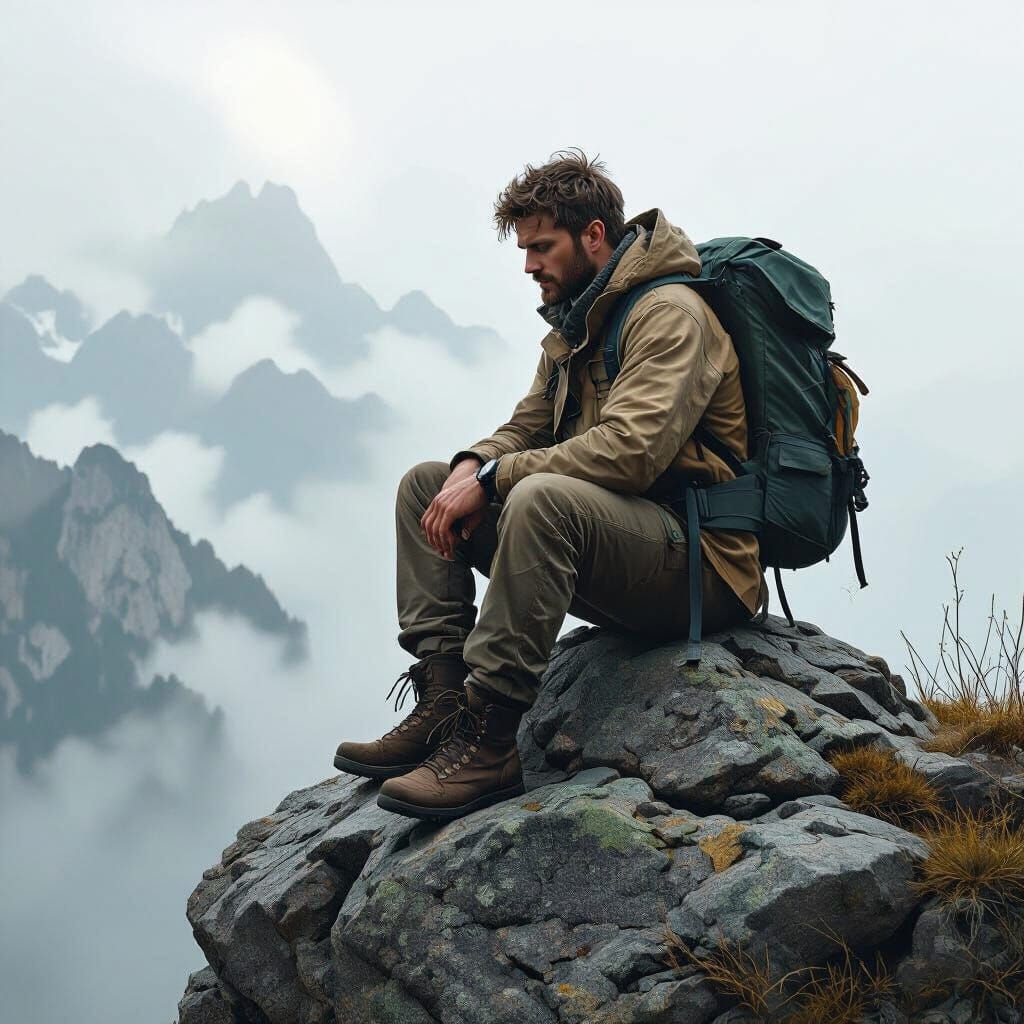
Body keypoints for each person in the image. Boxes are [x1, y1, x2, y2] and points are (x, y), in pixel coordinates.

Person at [334, 148, 765, 821]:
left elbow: (632, 454)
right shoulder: (577, 326)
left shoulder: (670, 314)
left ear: (594, 236)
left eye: (541, 247)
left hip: (699, 563)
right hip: (621, 545)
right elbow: (526, 429)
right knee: (424, 485)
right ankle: (444, 705)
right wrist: (470, 464)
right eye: (526, 249)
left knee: (537, 497)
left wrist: (496, 477)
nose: (529, 265)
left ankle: (492, 743)